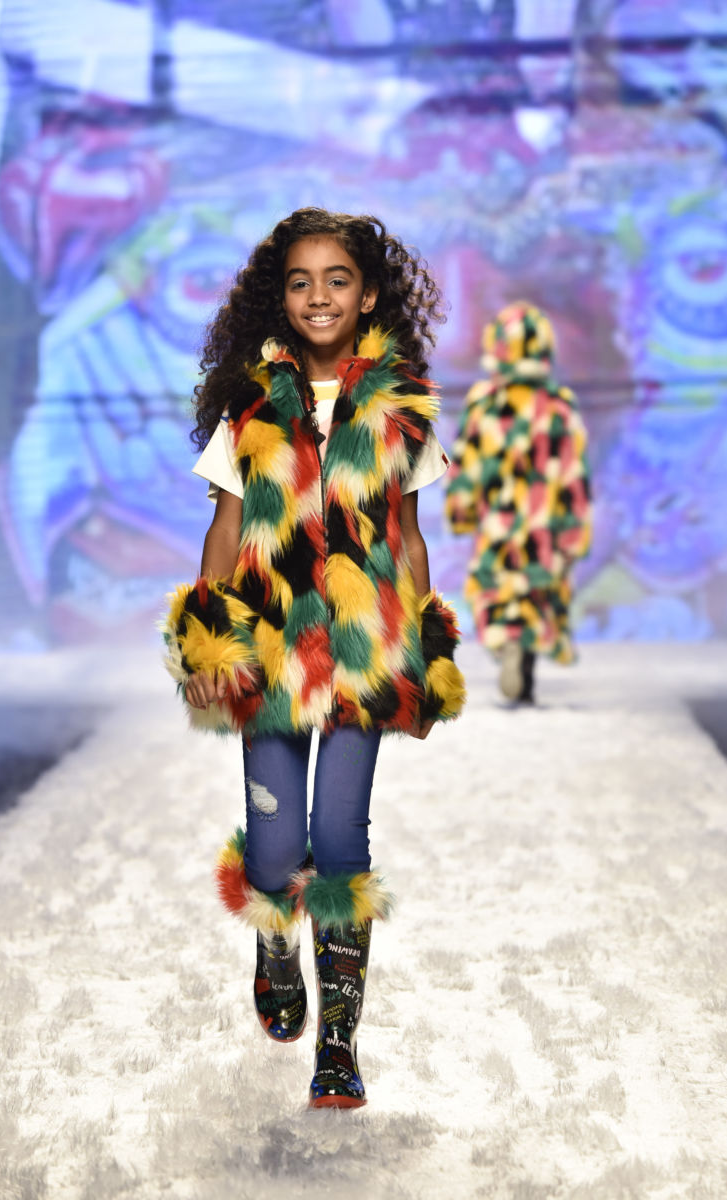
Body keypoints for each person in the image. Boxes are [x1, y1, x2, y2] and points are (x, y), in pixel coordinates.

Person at [161, 207, 465, 1109]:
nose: (319, 295)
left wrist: (425, 651)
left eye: (337, 279)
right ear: (280, 297)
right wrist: (204, 639)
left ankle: (338, 1044)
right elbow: (224, 532)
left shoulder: (401, 408)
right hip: (268, 657)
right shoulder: (251, 405)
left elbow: (408, 538)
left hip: (364, 657)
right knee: (273, 852)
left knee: (338, 840)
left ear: (367, 295)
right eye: (301, 281)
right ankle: (273, 942)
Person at [444, 300, 592, 703]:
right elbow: (573, 473)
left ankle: (507, 644)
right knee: (538, 595)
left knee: (495, 593)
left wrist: (461, 510)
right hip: (543, 528)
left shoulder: (484, 404)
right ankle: (523, 657)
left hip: (498, 525)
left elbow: (467, 464)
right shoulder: (558, 406)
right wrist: (574, 530)